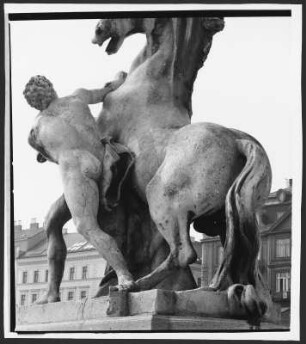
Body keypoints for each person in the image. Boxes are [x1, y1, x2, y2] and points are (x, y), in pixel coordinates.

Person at [23, 73, 136, 301]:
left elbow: (50, 155)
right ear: (51, 87)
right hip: (104, 160)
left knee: (86, 226)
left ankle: (124, 276)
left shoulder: (35, 129)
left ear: (34, 104)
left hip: (75, 168)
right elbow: (108, 88)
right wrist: (118, 79)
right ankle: (52, 292)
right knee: (52, 222)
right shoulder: (78, 96)